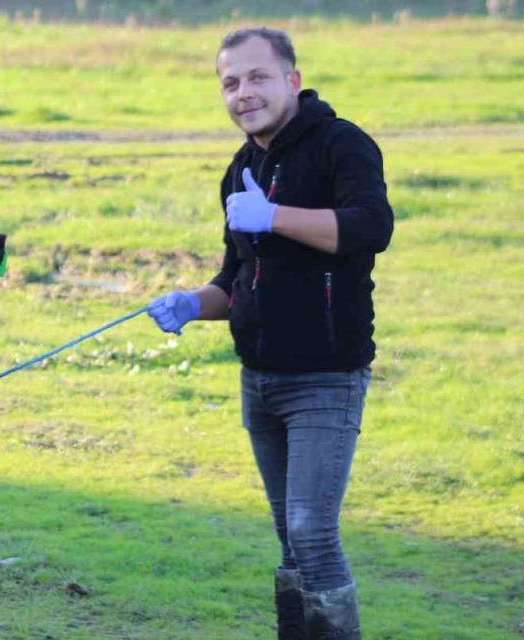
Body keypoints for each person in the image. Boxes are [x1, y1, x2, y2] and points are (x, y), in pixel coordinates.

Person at [148, 27, 393, 640]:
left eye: (257, 77)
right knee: (290, 537)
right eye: (230, 83)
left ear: (292, 80)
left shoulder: (343, 145)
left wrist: (274, 217)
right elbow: (235, 280)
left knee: (313, 531)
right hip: (260, 382)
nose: (242, 93)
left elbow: (370, 228)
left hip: (325, 378)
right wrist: (190, 304)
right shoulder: (241, 168)